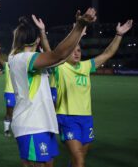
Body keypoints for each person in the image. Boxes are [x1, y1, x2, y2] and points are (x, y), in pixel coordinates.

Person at [8, 9, 96, 167]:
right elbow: (58, 54)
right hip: (31, 125)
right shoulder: (22, 59)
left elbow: (62, 58)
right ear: (36, 40)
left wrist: (77, 31)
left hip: (44, 124)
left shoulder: (23, 57)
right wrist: (78, 26)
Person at [54, 20, 132, 167]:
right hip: (67, 118)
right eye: (73, 50)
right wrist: (76, 31)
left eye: (78, 50)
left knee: (80, 157)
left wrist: (119, 34)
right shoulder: (60, 67)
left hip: (86, 118)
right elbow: (56, 52)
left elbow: (108, 53)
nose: (77, 53)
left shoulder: (86, 66)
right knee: (78, 158)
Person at [0, 40, 15, 137]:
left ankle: (18, 129)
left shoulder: (22, 65)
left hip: (21, 93)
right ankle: (6, 130)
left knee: (19, 113)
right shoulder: (7, 65)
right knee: (9, 112)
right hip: (10, 92)